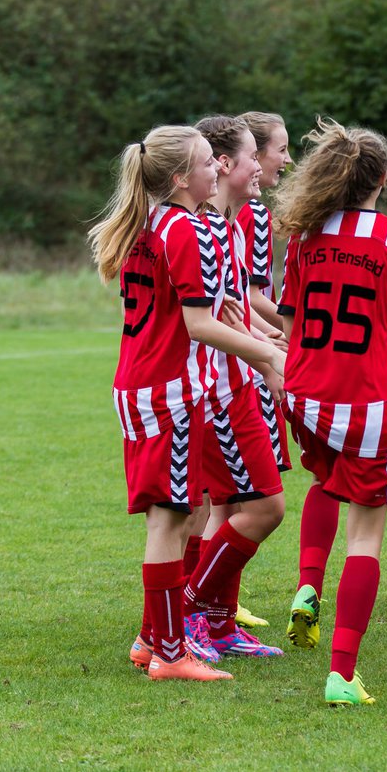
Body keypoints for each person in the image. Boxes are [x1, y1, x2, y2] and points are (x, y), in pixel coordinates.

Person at [89, 125, 285, 681]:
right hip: (167, 391)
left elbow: (209, 314)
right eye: (207, 163)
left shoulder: (158, 222)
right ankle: (170, 653)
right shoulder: (183, 229)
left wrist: (265, 347)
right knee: (169, 523)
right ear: (181, 178)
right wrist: (272, 360)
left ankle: (159, 643)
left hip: (153, 386)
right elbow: (199, 324)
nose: (216, 170)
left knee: (175, 518)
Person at [275, 119, 387, 706]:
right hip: (369, 402)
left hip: (306, 394)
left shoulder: (304, 236)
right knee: (366, 532)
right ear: (382, 180)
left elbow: (290, 325)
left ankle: (306, 588)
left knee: (325, 481)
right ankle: (342, 674)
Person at [180, 115, 286, 661]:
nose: (266, 166)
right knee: (263, 509)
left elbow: (235, 308)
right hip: (215, 392)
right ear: (225, 165)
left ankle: (215, 624)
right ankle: (185, 615)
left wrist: (276, 340)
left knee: (240, 507)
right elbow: (201, 321)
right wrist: (269, 355)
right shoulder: (198, 229)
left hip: (235, 383)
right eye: (256, 156)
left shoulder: (227, 226)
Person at [230, 110, 294, 631]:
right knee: (244, 497)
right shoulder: (242, 213)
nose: (284, 160)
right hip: (232, 370)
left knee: (228, 496)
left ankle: (213, 606)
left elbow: (238, 300)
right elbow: (244, 298)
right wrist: (286, 337)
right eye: (277, 149)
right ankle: (207, 606)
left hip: (243, 356)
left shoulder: (244, 212)